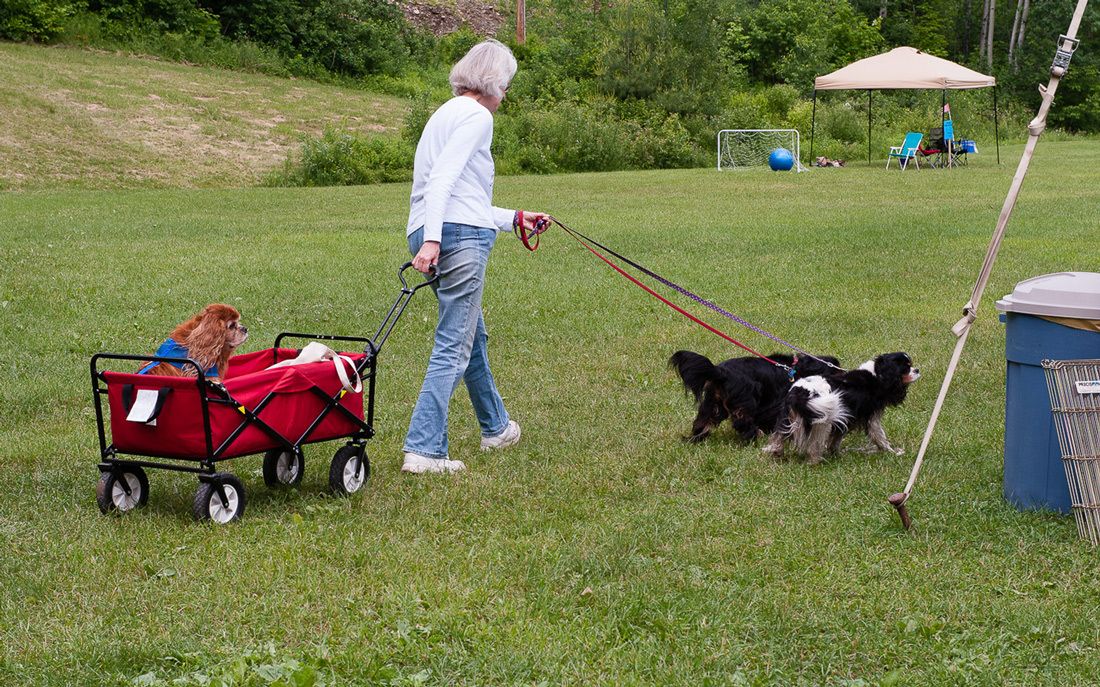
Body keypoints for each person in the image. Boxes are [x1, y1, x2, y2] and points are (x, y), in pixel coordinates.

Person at [402, 39, 548, 475]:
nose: (507, 93)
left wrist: (514, 218)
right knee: (454, 344)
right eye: (507, 84)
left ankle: (496, 427)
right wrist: (435, 241)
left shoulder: (444, 114)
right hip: (453, 237)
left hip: (437, 230)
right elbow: (443, 182)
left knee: (471, 338)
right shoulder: (477, 116)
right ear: (495, 81)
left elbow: (460, 194)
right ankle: (424, 450)